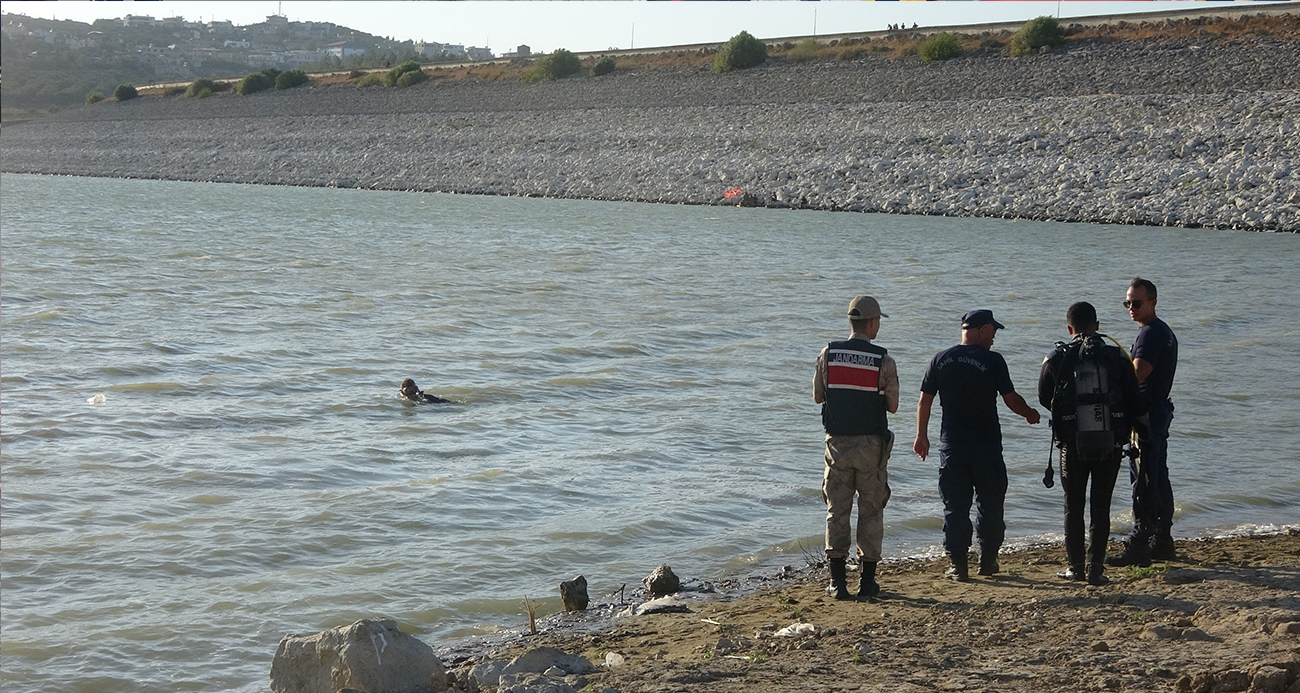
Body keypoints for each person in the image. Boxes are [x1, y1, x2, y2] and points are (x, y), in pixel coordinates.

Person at [913, 309, 1041, 581]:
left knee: (955, 505)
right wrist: (1029, 412)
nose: (994, 338)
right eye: (993, 332)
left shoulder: (940, 359)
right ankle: (988, 560)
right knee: (991, 503)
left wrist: (921, 436)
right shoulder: (993, 360)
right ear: (982, 330)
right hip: (986, 447)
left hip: (952, 446)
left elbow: (925, 401)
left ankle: (959, 565)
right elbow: (1010, 399)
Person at [1038, 302, 1148, 586]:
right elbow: (1136, 401)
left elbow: (1044, 398)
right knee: (1101, 506)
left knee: (1072, 506)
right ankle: (1095, 569)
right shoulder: (1117, 358)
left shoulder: (1055, 359)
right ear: (1097, 326)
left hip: (1072, 445)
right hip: (1110, 443)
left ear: (1069, 329)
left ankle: (1075, 568)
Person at [813, 296, 900, 601]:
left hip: (837, 444)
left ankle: (837, 583)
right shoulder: (884, 360)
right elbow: (893, 405)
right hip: (871, 446)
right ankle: (867, 583)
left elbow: (817, 397)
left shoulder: (829, 353)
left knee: (837, 510)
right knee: (871, 512)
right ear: (873, 323)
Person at [1108, 277, 1179, 566]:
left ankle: (1140, 541)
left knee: (1145, 478)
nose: (1131, 308)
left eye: (1137, 303)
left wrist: (1111, 386)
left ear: (1153, 302)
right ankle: (1162, 539)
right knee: (1157, 474)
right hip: (1157, 411)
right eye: (1127, 303)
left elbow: (1138, 373)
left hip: (1148, 412)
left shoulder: (1151, 333)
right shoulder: (1160, 331)